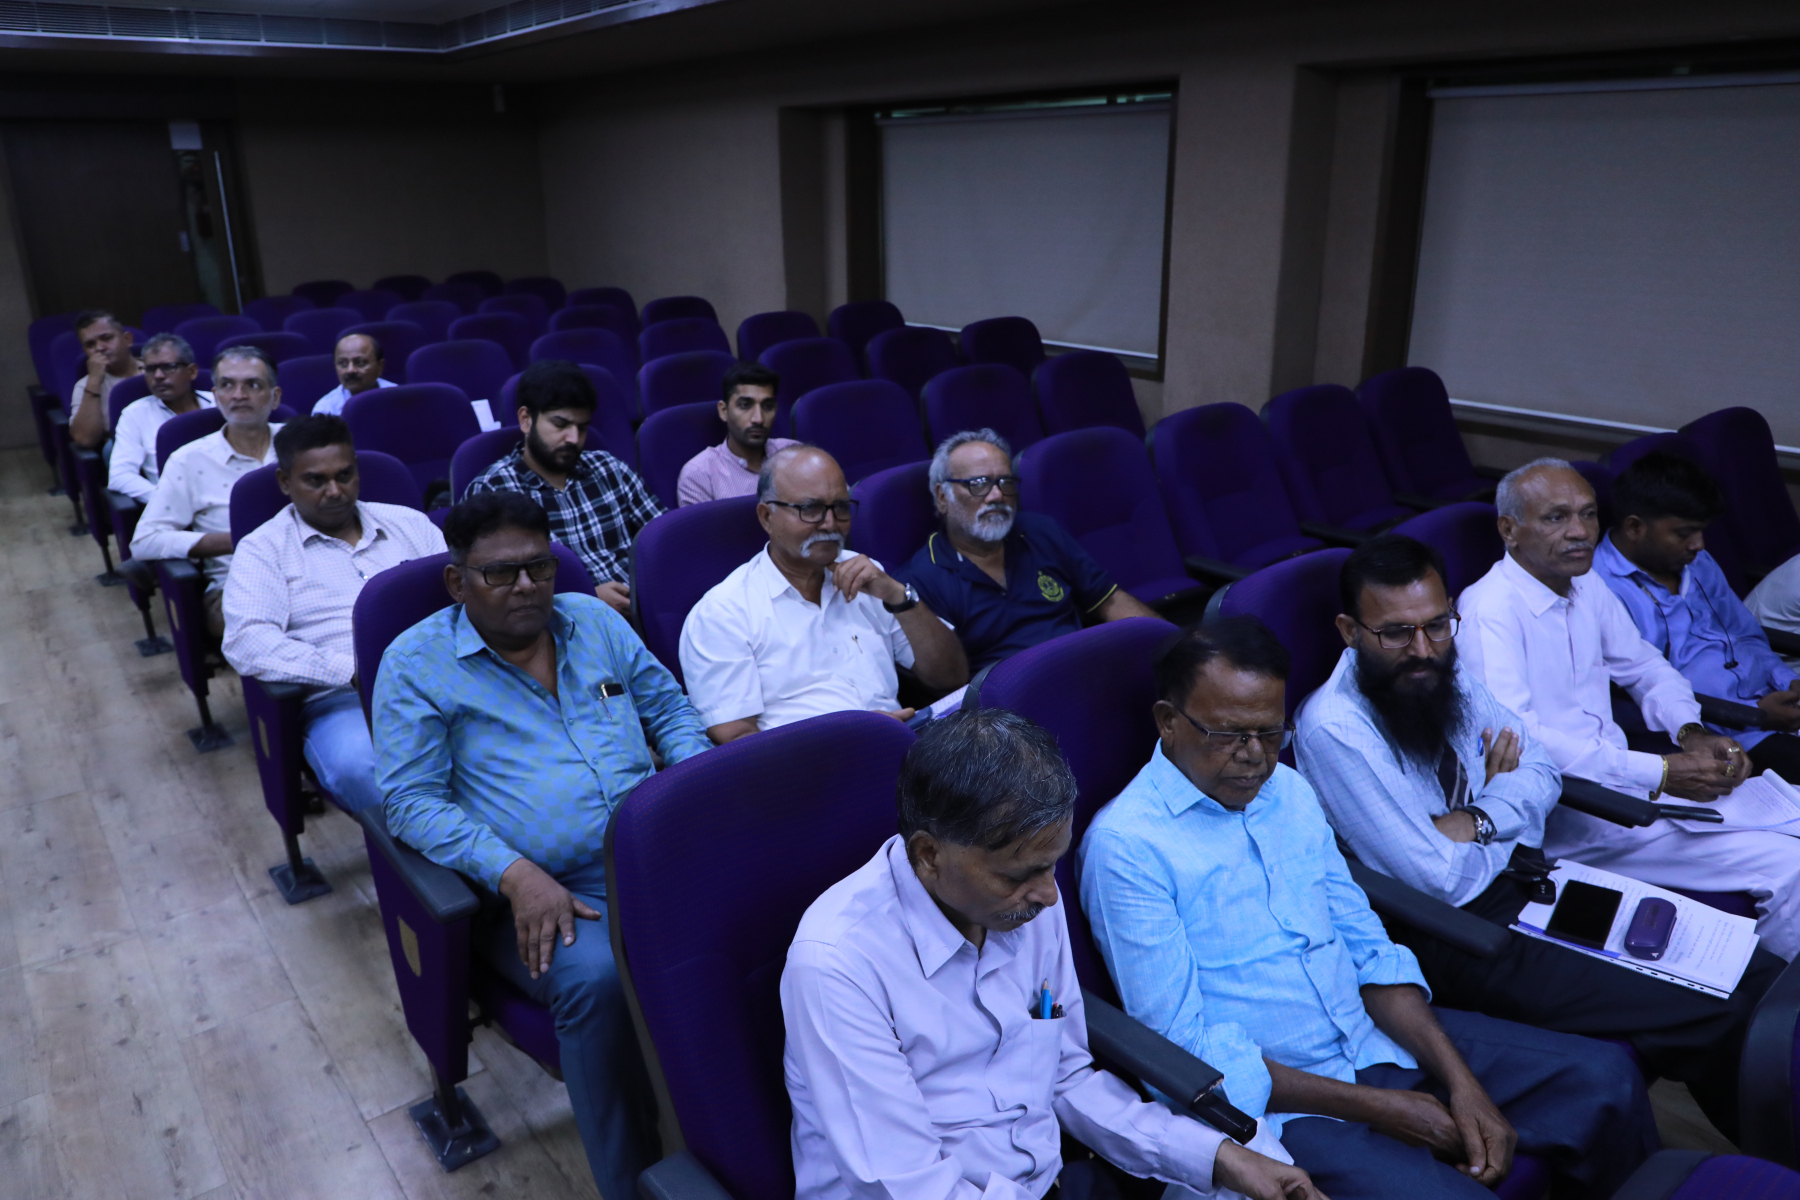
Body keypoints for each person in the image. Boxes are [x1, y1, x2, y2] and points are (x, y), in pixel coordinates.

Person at [1081, 618, 1658, 1200]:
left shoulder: (1287, 792)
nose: (1254, 756)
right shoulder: (1128, 846)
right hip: (1281, 1107)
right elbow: (1184, 1055)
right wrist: (1381, 1106)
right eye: (1229, 734)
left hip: (1373, 1038)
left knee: (1604, 1080)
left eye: (1270, 732)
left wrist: (1462, 1084)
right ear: (1168, 721)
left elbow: (1367, 949)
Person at [1295, 534, 1784, 1143]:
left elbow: (1544, 770)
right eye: (1395, 633)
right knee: (1720, 1008)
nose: (1422, 649)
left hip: (1533, 877)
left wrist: (1479, 817)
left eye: (1436, 625)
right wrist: (1506, 806)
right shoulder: (1336, 729)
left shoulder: (1443, 666)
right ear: (1350, 631)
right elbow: (1439, 881)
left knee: (1754, 971)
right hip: (1460, 933)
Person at [783, 708, 1318, 1200]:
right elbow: (909, 1185)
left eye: (1052, 864)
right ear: (928, 854)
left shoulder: (1025, 899)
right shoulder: (838, 964)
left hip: (1049, 1178)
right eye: (1020, 874)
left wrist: (1217, 1158)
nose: (1048, 894)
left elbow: (1066, 1079)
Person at [376, 490, 711, 1200]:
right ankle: (630, 1182)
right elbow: (410, 802)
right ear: (457, 581)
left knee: (768, 916)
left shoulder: (594, 619)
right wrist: (512, 871)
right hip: (540, 892)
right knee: (599, 981)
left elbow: (670, 712)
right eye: (501, 573)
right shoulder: (415, 663)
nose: (526, 586)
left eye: (539, 567)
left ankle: (739, 1139)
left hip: (655, 857)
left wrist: (695, 795)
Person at [1459, 458, 1800, 959]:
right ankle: (1777, 1001)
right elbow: (1524, 743)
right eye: (1556, 518)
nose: (1580, 532)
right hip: (1572, 812)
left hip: (1629, 784)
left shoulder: (1584, 583)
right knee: (1790, 866)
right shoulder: (1489, 612)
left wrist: (1691, 732)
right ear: (1509, 530)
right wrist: (1659, 771)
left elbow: (1645, 667)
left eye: (1588, 514)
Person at [222, 415, 445, 813]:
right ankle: (433, 851)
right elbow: (248, 640)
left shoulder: (410, 524)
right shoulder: (263, 549)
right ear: (285, 482)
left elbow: (458, 600)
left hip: (442, 678)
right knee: (360, 767)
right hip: (343, 700)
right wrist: (350, 670)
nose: (335, 491)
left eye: (344, 475)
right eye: (316, 481)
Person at [680, 445, 967, 743]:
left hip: (905, 747)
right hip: (813, 768)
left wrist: (898, 596)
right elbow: (736, 739)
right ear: (766, 517)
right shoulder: (723, 612)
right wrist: (855, 737)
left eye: (840, 507)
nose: (831, 524)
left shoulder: (868, 576)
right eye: (811, 509)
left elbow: (951, 677)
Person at [1595, 452, 1800, 780]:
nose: (1699, 544)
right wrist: (1753, 715)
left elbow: (1745, 634)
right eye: (1684, 533)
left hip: (1771, 703)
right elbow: (1636, 692)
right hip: (1720, 732)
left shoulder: (1697, 561)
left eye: (1702, 531)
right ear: (1634, 527)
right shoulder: (1599, 589)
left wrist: (1787, 681)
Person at [904, 430, 1159, 670]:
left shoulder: (1040, 532)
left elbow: (1109, 600)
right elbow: (949, 676)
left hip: (1085, 667)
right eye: (979, 484)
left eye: (1005, 482)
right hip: (1011, 694)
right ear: (943, 497)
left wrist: (1170, 647)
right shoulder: (922, 579)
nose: (996, 495)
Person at [465, 359, 661, 616]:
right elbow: (494, 587)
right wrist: (586, 597)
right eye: (560, 425)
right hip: (559, 622)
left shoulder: (609, 468)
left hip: (642, 608)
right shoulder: (492, 491)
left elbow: (663, 539)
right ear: (526, 419)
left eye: (582, 427)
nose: (574, 439)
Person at [131, 345, 284, 636]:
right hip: (238, 585)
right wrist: (235, 540)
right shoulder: (189, 460)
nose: (238, 395)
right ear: (215, 396)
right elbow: (145, 541)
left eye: (252, 385)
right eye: (227, 385)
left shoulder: (302, 445)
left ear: (275, 397)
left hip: (316, 570)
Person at [108, 333, 215, 503]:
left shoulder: (219, 404)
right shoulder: (135, 414)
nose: (158, 376)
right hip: (176, 505)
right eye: (150, 369)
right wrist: (165, 500)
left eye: (168, 367)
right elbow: (120, 475)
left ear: (192, 371)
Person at [675, 362, 797, 505]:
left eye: (767, 406)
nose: (758, 418)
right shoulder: (700, 475)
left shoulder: (795, 455)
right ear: (724, 411)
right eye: (745, 405)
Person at [67, 309, 143, 449]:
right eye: (90, 345)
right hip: (123, 447)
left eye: (106, 338)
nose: (100, 348)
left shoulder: (157, 371)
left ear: (127, 339)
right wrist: (94, 381)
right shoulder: (85, 385)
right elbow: (84, 439)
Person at [310, 332, 396, 416]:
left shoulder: (397, 397)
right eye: (343, 364)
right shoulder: (325, 410)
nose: (350, 370)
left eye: (360, 363)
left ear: (380, 366)